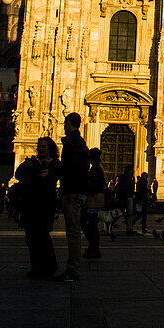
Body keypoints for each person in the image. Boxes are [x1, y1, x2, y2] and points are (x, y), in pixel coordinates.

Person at [15, 137, 61, 278]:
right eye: (39, 146)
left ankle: (49, 266)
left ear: (50, 149)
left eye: (44, 147)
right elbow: (18, 175)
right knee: (30, 237)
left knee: (42, 236)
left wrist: (51, 171)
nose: (41, 149)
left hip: (45, 204)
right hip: (30, 203)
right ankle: (36, 265)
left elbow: (62, 174)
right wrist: (26, 165)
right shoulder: (31, 162)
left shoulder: (54, 164)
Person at [57, 112, 89, 282]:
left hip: (72, 191)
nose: (63, 125)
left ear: (69, 123)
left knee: (73, 232)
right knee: (73, 231)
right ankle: (72, 266)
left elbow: (71, 168)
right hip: (76, 191)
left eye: (64, 122)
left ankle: (73, 268)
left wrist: (55, 169)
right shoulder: (80, 143)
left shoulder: (72, 143)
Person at [82, 147, 106, 258]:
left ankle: (93, 248)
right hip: (95, 199)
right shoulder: (97, 168)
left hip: (93, 200)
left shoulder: (95, 169)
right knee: (92, 225)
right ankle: (93, 248)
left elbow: (93, 184)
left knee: (89, 224)